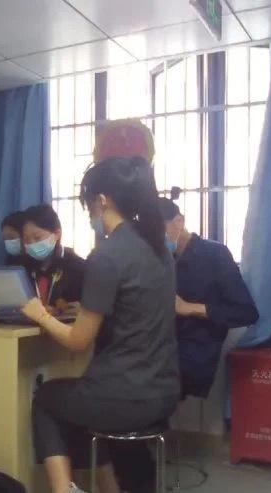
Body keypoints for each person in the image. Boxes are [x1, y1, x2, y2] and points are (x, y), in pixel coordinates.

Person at [20, 157, 180, 493]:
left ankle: (63, 490)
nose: (90, 214)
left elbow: (79, 340)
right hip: (163, 392)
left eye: (89, 205)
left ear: (102, 200)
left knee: (47, 399)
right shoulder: (158, 249)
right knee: (81, 401)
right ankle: (109, 488)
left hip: (125, 396)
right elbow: (136, 306)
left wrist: (41, 315)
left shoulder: (108, 254)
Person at [158, 197, 259, 398]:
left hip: (190, 356)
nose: (155, 239)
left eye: (158, 231)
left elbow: (246, 313)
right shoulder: (160, 259)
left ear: (179, 222)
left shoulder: (214, 254)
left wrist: (190, 308)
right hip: (160, 349)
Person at [22, 204, 85, 313]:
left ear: (57, 234)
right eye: (26, 239)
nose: (31, 244)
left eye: (37, 237)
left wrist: (59, 311)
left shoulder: (76, 266)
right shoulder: (24, 266)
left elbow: (82, 308)